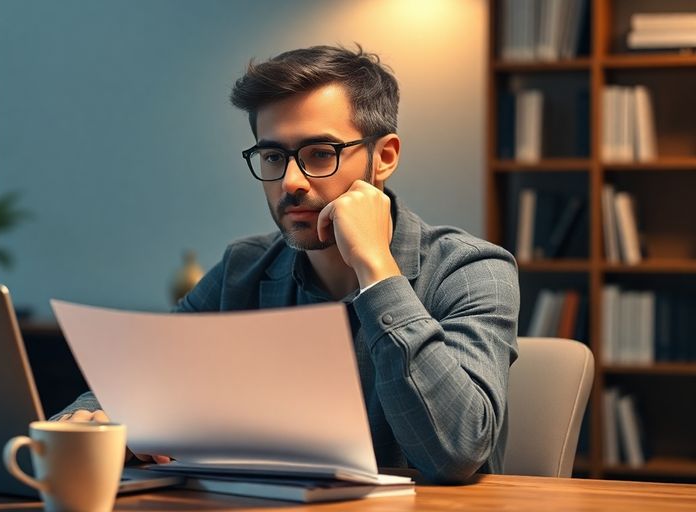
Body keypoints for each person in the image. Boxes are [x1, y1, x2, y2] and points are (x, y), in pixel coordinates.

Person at [54, 44, 520, 483]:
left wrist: (376, 269)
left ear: (385, 156)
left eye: (321, 153)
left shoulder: (472, 271)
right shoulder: (244, 270)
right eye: (274, 156)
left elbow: (456, 452)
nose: (291, 182)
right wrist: (89, 422)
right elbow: (133, 382)